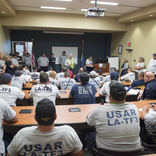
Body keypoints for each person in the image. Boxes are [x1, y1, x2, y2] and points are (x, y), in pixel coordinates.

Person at [7, 98, 83, 156]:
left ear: (35, 118)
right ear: (55, 117)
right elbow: (79, 154)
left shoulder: (22, 135)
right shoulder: (69, 133)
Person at [86, 80, 140, 155]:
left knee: (89, 135)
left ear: (110, 96)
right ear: (125, 96)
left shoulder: (99, 110)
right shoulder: (134, 107)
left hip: (106, 152)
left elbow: (89, 122)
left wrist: (90, 113)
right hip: (133, 151)